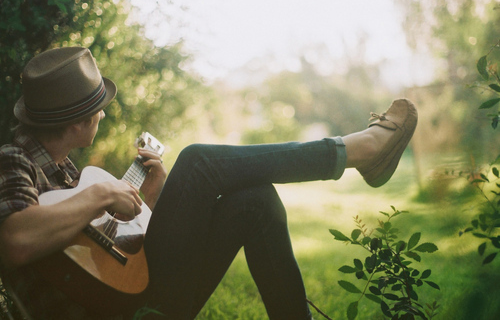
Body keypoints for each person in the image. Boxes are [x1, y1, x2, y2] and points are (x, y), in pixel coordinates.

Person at [0, 47, 417, 320]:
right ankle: (356, 151)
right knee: (198, 160)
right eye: (98, 109)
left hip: (136, 303)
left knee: (255, 201)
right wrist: (102, 193)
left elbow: (123, 262)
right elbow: (15, 240)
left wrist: (154, 198)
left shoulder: (69, 174)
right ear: (76, 120)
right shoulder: (14, 160)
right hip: (106, 312)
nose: (104, 116)